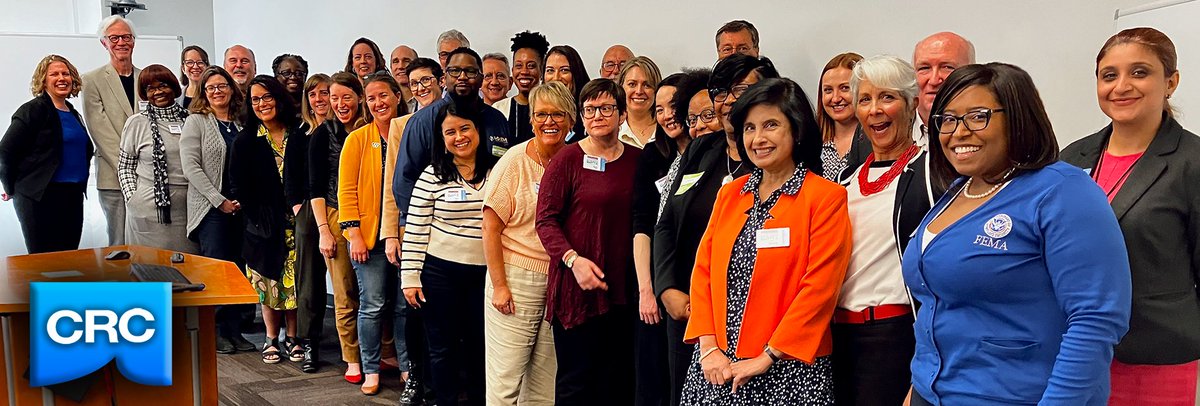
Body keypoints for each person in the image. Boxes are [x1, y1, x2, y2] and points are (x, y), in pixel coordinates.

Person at [907, 63, 1132, 405]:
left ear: (1017, 117)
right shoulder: (957, 191)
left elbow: (1095, 320)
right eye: (947, 119)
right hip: (933, 391)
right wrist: (917, 388)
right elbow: (936, 307)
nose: (959, 131)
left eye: (977, 116)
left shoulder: (1062, 192)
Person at [681, 78, 849, 404]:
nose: (758, 139)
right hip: (717, 365)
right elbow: (703, 272)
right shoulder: (731, 194)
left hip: (789, 367)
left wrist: (768, 356)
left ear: (796, 130)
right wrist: (708, 347)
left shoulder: (825, 197)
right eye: (749, 128)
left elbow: (821, 287)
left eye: (771, 125)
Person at [1062, 27, 1200, 405]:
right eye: (1109, 75)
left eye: (1140, 72)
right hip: (1076, 352)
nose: (1122, 86)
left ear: (1171, 82)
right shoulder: (1072, 158)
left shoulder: (1193, 162)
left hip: (1154, 357)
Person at [833, 55, 941, 406]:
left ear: (911, 104)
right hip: (838, 337)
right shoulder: (842, 181)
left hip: (896, 336)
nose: (874, 109)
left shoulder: (930, 173)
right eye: (865, 99)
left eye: (887, 97)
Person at [535, 78, 641, 404]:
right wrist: (572, 260)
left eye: (606, 108)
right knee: (576, 384)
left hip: (624, 291)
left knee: (617, 382)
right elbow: (545, 221)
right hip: (576, 289)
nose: (597, 115)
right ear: (581, 117)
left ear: (622, 114)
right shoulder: (566, 160)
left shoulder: (639, 161)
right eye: (590, 109)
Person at [401, 102, 496, 406]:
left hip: (485, 274)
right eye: (450, 132)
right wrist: (410, 277)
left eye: (465, 128)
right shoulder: (432, 175)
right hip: (439, 273)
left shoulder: (498, 170)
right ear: (442, 139)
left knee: (480, 345)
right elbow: (416, 228)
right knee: (442, 348)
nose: (459, 137)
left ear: (477, 130)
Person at [481, 81, 570, 405]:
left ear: (570, 120)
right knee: (506, 382)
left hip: (558, 282)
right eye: (542, 114)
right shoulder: (514, 161)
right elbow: (489, 228)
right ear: (531, 119)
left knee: (544, 385)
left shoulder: (572, 161)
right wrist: (500, 285)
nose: (549, 122)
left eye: (558, 114)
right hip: (515, 279)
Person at [338, 72, 408, 396]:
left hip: (407, 234)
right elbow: (346, 191)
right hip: (368, 238)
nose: (378, 102)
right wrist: (352, 234)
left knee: (404, 306)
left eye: (384, 95)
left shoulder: (410, 132)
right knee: (373, 305)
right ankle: (370, 368)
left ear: (397, 95)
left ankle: (407, 366)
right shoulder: (357, 139)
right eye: (372, 98)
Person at [228, 75, 304, 366]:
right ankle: (272, 337)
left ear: (279, 98)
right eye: (255, 99)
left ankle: (293, 337)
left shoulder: (298, 132)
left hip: (298, 222)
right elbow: (237, 185)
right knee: (268, 282)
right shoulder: (245, 140)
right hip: (262, 225)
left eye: (267, 97)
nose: (262, 104)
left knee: (295, 283)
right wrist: (257, 217)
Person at [392, 47, 511, 233]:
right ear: (444, 77)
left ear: (481, 78)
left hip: (490, 229)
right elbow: (404, 182)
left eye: (470, 71)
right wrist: (425, 225)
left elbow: (505, 174)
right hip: (437, 230)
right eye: (455, 71)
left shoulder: (497, 120)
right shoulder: (422, 121)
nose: (462, 77)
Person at [180, 66, 254, 354]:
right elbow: (191, 168)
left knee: (237, 270)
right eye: (211, 88)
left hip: (239, 207)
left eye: (222, 86)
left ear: (231, 89)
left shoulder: (240, 122)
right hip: (211, 209)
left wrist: (242, 199)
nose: (217, 91)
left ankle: (235, 331)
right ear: (204, 93)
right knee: (217, 269)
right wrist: (217, 199)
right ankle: (217, 332)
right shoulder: (196, 121)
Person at [630, 72, 693, 406]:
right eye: (660, 109)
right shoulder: (652, 155)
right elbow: (642, 225)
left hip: (696, 283)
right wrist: (646, 290)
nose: (668, 115)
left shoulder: (711, 155)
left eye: (674, 106)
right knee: (655, 379)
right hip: (657, 281)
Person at [307, 71, 371, 384]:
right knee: (345, 292)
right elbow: (315, 187)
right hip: (334, 214)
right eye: (334, 98)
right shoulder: (323, 134)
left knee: (375, 291)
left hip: (370, 214)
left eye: (346, 97)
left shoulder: (373, 130)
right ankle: (352, 358)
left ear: (359, 97)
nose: (340, 103)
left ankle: (381, 352)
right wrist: (324, 230)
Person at [0, 55, 91, 253]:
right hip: (39, 197)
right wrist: (10, 187)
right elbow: (5, 151)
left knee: (67, 257)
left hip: (72, 195)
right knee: (44, 260)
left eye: (66, 74)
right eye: (54, 74)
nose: (61, 78)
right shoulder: (32, 110)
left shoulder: (73, 113)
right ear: (43, 80)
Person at [117, 64, 198, 253]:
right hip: (147, 213)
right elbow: (125, 166)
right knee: (148, 270)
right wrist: (133, 197)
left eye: (163, 86)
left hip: (189, 210)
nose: (158, 92)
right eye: (150, 88)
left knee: (189, 271)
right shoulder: (136, 123)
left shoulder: (192, 120)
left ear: (174, 87)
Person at [82, 15, 141, 246]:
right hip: (114, 178)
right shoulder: (91, 80)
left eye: (126, 37)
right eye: (114, 37)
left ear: (133, 41)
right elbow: (101, 133)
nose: (121, 42)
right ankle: (119, 283)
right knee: (120, 243)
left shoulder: (145, 77)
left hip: (148, 179)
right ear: (104, 43)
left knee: (144, 242)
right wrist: (132, 170)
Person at [289, 72, 330, 373]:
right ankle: (309, 343)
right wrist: (297, 210)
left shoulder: (345, 131)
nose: (319, 99)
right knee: (310, 281)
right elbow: (290, 177)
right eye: (313, 94)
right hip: (307, 211)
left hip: (340, 207)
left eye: (325, 92)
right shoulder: (300, 132)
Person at [912, 32, 975, 148]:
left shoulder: (987, 133)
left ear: (971, 75)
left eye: (947, 67)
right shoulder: (888, 133)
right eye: (924, 68)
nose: (934, 80)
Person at [817, 52, 870, 182]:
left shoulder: (878, 141)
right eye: (828, 90)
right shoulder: (812, 142)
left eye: (845, 88)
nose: (835, 98)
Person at [493, 31, 550, 146]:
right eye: (519, 66)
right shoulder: (499, 109)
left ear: (541, 70)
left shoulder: (551, 107)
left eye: (531, 66)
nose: (524, 71)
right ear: (513, 70)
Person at [544, 45, 590, 143]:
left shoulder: (590, 112)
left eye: (564, 70)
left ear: (576, 74)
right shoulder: (533, 111)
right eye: (550, 70)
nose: (556, 77)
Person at [617, 56, 662, 148]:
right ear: (621, 87)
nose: (639, 91)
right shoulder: (611, 130)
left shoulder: (668, 129)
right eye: (632, 84)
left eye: (647, 85)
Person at [390, 45, 419, 112]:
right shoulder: (388, 102)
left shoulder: (427, 98)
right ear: (391, 67)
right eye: (396, 61)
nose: (400, 66)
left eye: (406, 61)